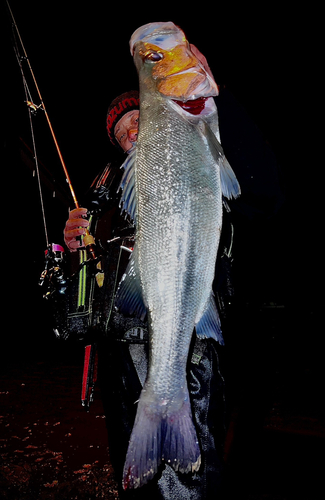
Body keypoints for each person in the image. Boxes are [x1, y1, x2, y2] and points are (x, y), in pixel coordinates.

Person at [54, 89, 234, 499]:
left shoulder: (195, 157)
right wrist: (74, 247)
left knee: (188, 483)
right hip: (121, 355)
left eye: (139, 118)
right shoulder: (108, 193)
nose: (131, 131)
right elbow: (95, 278)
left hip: (187, 349)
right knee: (136, 479)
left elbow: (262, 194)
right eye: (120, 132)